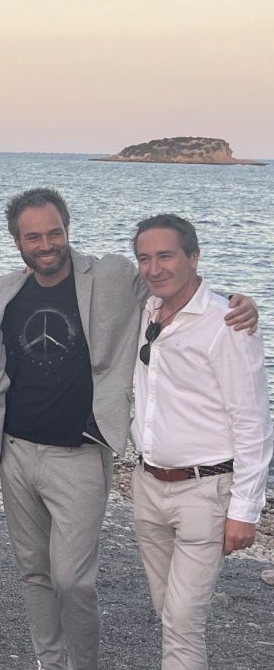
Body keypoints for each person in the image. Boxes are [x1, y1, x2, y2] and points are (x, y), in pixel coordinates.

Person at [0, 188, 257, 670]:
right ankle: (49, 662)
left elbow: (176, 284)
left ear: (68, 230)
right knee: (34, 573)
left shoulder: (110, 275)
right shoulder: (7, 288)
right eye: (33, 237)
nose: (46, 245)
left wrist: (239, 300)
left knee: (73, 579)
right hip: (17, 451)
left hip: (80, 454)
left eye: (54, 233)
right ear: (17, 242)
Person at [128, 214, 271, 669]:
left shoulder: (226, 323)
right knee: (167, 612)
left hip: (205, 491)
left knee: (182, 621)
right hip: (147, 485)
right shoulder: (145, 309)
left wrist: (245, 511)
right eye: (144, 258)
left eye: (165, 256)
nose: (154, 269)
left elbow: (253, 421)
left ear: (194, 257)